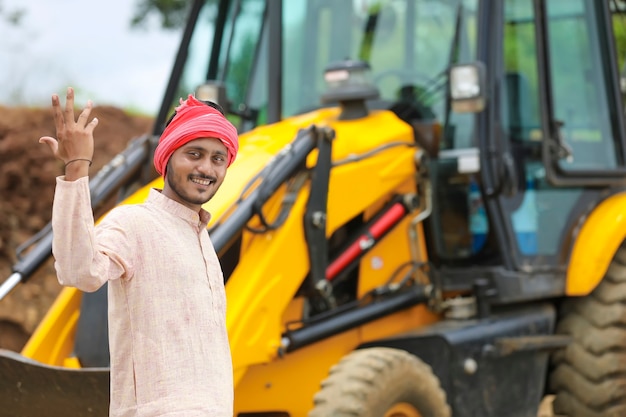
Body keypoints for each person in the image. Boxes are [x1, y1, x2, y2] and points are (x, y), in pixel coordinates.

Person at [39, 87, 238, 417]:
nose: (207, 168)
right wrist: (77, 167)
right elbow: (79, 271)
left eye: (218, 159)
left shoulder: (201, 239)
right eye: (194, 154)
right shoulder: (134, 221)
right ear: (168, 156)